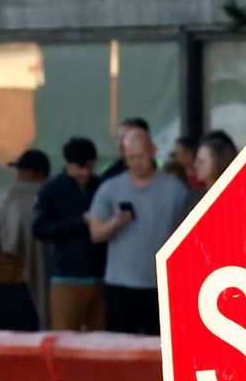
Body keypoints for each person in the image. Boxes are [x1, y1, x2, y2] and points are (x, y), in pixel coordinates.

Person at [85, 120, 189, 337]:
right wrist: (115, 222)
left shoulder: (175, 189)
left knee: (160, 349)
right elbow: (96, 234)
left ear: (153, 151)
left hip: (161, 286)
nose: (136, 163)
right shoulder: (110, 188)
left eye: (141, 156)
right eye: (131, 158)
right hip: (120, 285)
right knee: (120, 350)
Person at [0, 149, 48, 332]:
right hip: (5, 281)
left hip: (22, 284)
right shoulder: (9, 201)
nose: (19, 175)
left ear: (38, 174)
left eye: (24, 171)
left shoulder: (38, 200)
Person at [32, 138, 105, 332]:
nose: (85, 173)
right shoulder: (52, 189)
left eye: (89, 167)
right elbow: (40, 227)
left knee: (101, 340)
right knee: (65, 336)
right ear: (68, 164)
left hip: (100, 275)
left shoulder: (100, 186)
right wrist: (80, 221)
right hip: (67, 276)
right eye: (80, 167)